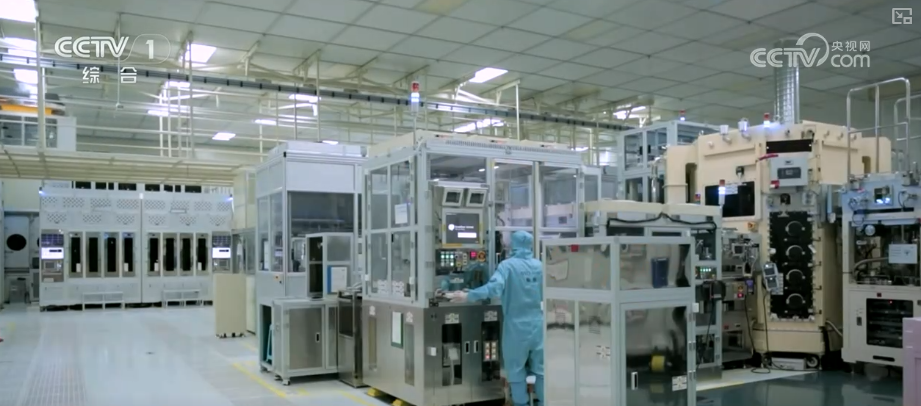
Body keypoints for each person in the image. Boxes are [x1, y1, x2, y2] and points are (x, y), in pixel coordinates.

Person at [450, 231, 543, 406]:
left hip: (516, 329)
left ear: (513, 245)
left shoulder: (507, 266)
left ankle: (521, 403)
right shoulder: (540, 266)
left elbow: (493, 289)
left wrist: (468, 295)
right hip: (539, 326)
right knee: (541, 371)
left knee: (516, 371)